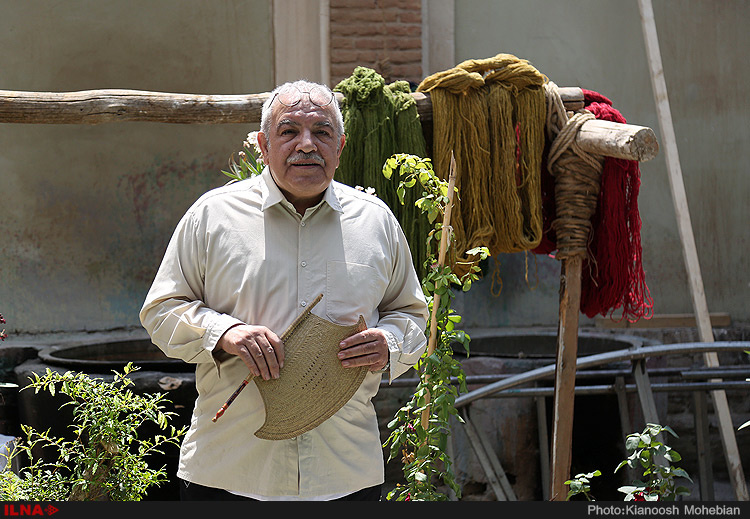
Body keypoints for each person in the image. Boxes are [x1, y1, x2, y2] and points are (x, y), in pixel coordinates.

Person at [139, 79, 428, 501]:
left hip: (344, 475)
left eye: (322, 132)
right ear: (262, 143)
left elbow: (412, 314)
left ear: (341, 146)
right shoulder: (213, 217)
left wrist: (390, 342)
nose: (306, 145)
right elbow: (161, 310)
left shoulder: (375, 223)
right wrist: (224, 333)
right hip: (230, 472)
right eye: (289, 131)